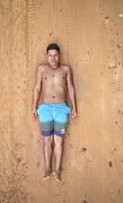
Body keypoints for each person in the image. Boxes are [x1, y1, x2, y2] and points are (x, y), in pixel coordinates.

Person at [32, 43, 77, 182]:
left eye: (55, 55)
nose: (53, 58)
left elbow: (70, 87)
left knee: (59, 141)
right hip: (45, 109)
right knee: (47, 140)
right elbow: (37, 88)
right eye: (50, 55)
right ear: (47, 56)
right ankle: (47, 168)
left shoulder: (66, 69)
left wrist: (74, 107)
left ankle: (57, 170)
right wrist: (33, 106)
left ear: (59, 56)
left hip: (61, 109)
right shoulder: (41, 69)